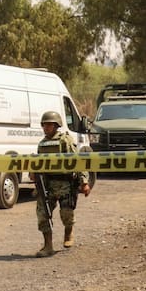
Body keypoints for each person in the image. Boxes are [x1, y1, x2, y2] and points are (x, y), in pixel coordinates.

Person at [30, 110, 91, 257]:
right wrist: (33, 173)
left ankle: (68, 232)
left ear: (56, 125)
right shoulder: (42, 143)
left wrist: (84, 181)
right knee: (43, 215)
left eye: (49, 125)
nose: (46, 127)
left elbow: (77, 161)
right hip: (47, 185)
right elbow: (38, 163)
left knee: (66, 214)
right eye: (44, 125)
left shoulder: (65, 141)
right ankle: (48, 246)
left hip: (65, 183)